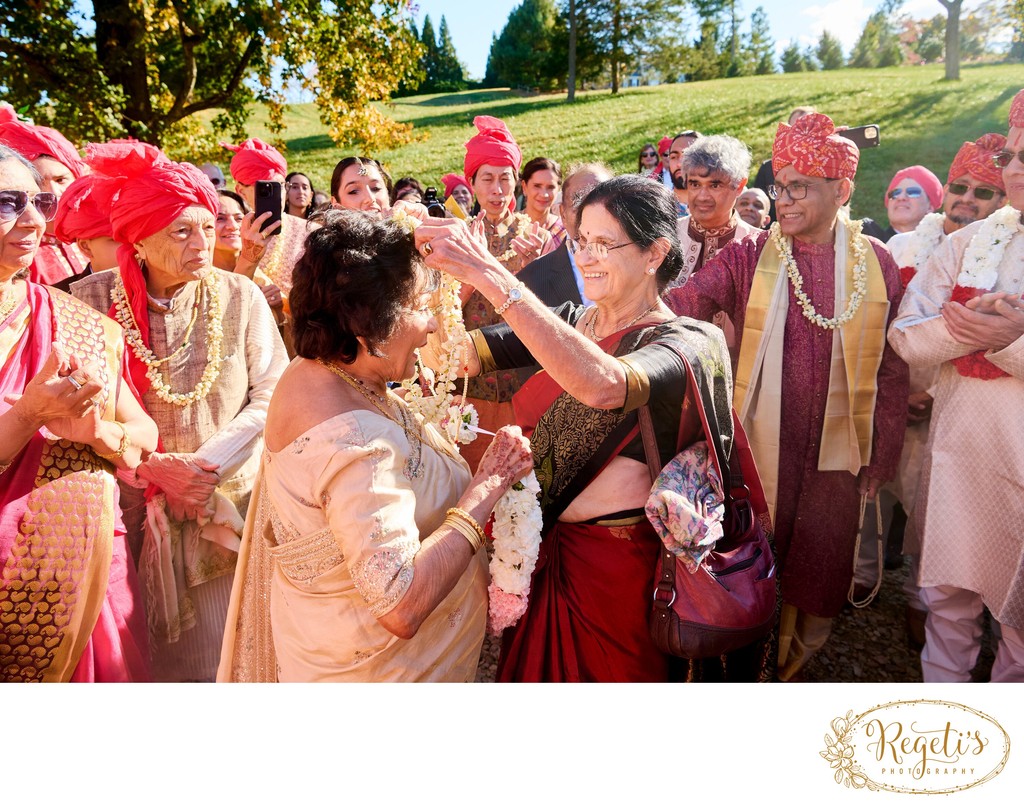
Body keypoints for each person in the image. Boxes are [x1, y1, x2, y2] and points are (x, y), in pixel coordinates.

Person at [415, 175, 750, 682]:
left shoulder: (687, 341)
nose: (586, 257)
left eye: (603, 244)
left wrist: (490, 273)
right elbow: (459, 357)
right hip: (544, 551)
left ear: (655, 253)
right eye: (580, 242)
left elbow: (604, 385)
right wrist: (428, 284)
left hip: (618, 574)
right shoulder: (569, 323)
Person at [217, 209, 533, 682]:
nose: (431, 326)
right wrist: (488, 484)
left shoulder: (318, 371)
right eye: (421, 306)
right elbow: (400, 604)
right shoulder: (354, 442)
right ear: (369, 327)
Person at [667, 112, 908, 682]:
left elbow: (892, 369)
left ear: (842, 190)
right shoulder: (752, 255)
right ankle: (745, 660)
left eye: (800, 186)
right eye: (780, 186)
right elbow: (688, 301)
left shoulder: (877, 262)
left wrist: (880, 455)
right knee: (753, 559)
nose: (785, 200)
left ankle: (794, 669)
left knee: (819, 569)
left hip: (836, 459)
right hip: (761, 449)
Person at [71, 140, 288, 681]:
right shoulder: (85, 303)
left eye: (207, 227)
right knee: (131, 658)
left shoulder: (241, 295)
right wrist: (150, 471)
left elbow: (273, 391)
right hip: (120, 515)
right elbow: (72, 412)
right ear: (138, 241)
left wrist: (200, 469)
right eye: (182, 231)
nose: (201, 242)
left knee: (225, 654)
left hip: (219, 506)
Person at [0, 144, 157, 682]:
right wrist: (29, 415)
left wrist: (99, 432)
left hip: (85, 571)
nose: (30, 219)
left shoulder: (73, 320)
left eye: (40, 202)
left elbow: (143, 433)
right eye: (6, 202)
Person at [888, 89, 1024, 682]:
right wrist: (968, 329)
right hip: (962, 458)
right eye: (1011, 157)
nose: (1013, 169)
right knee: (949, 603)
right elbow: (907, 337)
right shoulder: (970, 243)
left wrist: (1011, 339)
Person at [855, 134, 1008, 638]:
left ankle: (926, 605)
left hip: (949, 409)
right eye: (959, 187)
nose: (967, 198)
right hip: (891, 395)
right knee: (873, 496)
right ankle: (866, 587)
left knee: (932, 514)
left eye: (982, 192)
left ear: (1003, 199)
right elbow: (879, 328)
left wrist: (936, 392)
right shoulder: (902, 245)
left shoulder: (999, 251)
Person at [459, 116, 552, 471]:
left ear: (516, 183)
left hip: (525, 381)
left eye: (505, 178)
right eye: (487, 179)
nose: (497, 189)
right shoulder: (457, 237)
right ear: (472, 183)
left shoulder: (536, 236)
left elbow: (555, 310)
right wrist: (473, 268)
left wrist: (537, 265)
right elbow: (443, 311)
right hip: (470, 386)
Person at [0, 105, 88, 285]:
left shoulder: (99, 238)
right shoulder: (17, 252)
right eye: (40, 184)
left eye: (61, 179)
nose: (53, 194)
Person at [221, 137, 310, 302]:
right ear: (240, 191)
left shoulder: (310, 231)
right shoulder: (227, 233)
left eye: (280, 186)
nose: (278, 195)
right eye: (265, 189)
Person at [517, 162, 614, 309]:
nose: (590, 213)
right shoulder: (533, 278)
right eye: (579, 203)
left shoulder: (639, 261)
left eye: (602, 203)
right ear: (563, 213)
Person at [50, 173, 120, 293]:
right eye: (120, 239)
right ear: (85, 247)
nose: (137, 248)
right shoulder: (57, 301)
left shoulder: (160, 291)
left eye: (142, 238)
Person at [753, 105, 816, 224]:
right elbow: (757, 205)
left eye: (807, 127)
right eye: (795, 128)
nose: (801, 134)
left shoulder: (827, 168)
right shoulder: (768, 168)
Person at [863, 165, 944, 243]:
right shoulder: (865, 240)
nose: (901, 197)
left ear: (929, 207)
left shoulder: (945, 248)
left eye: (913, 192)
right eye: (895, 193)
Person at [520, 156, 565, 246]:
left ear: (558, 189)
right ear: (524, 187)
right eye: (537, 186)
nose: (544, 194)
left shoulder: (564, 231)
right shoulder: (509, 227)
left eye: (550, 187)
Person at [666, 130, 701, 216]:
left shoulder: (722, 207)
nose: (679, 164)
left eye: (687, 156)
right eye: (674, 157)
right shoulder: (657, 209)